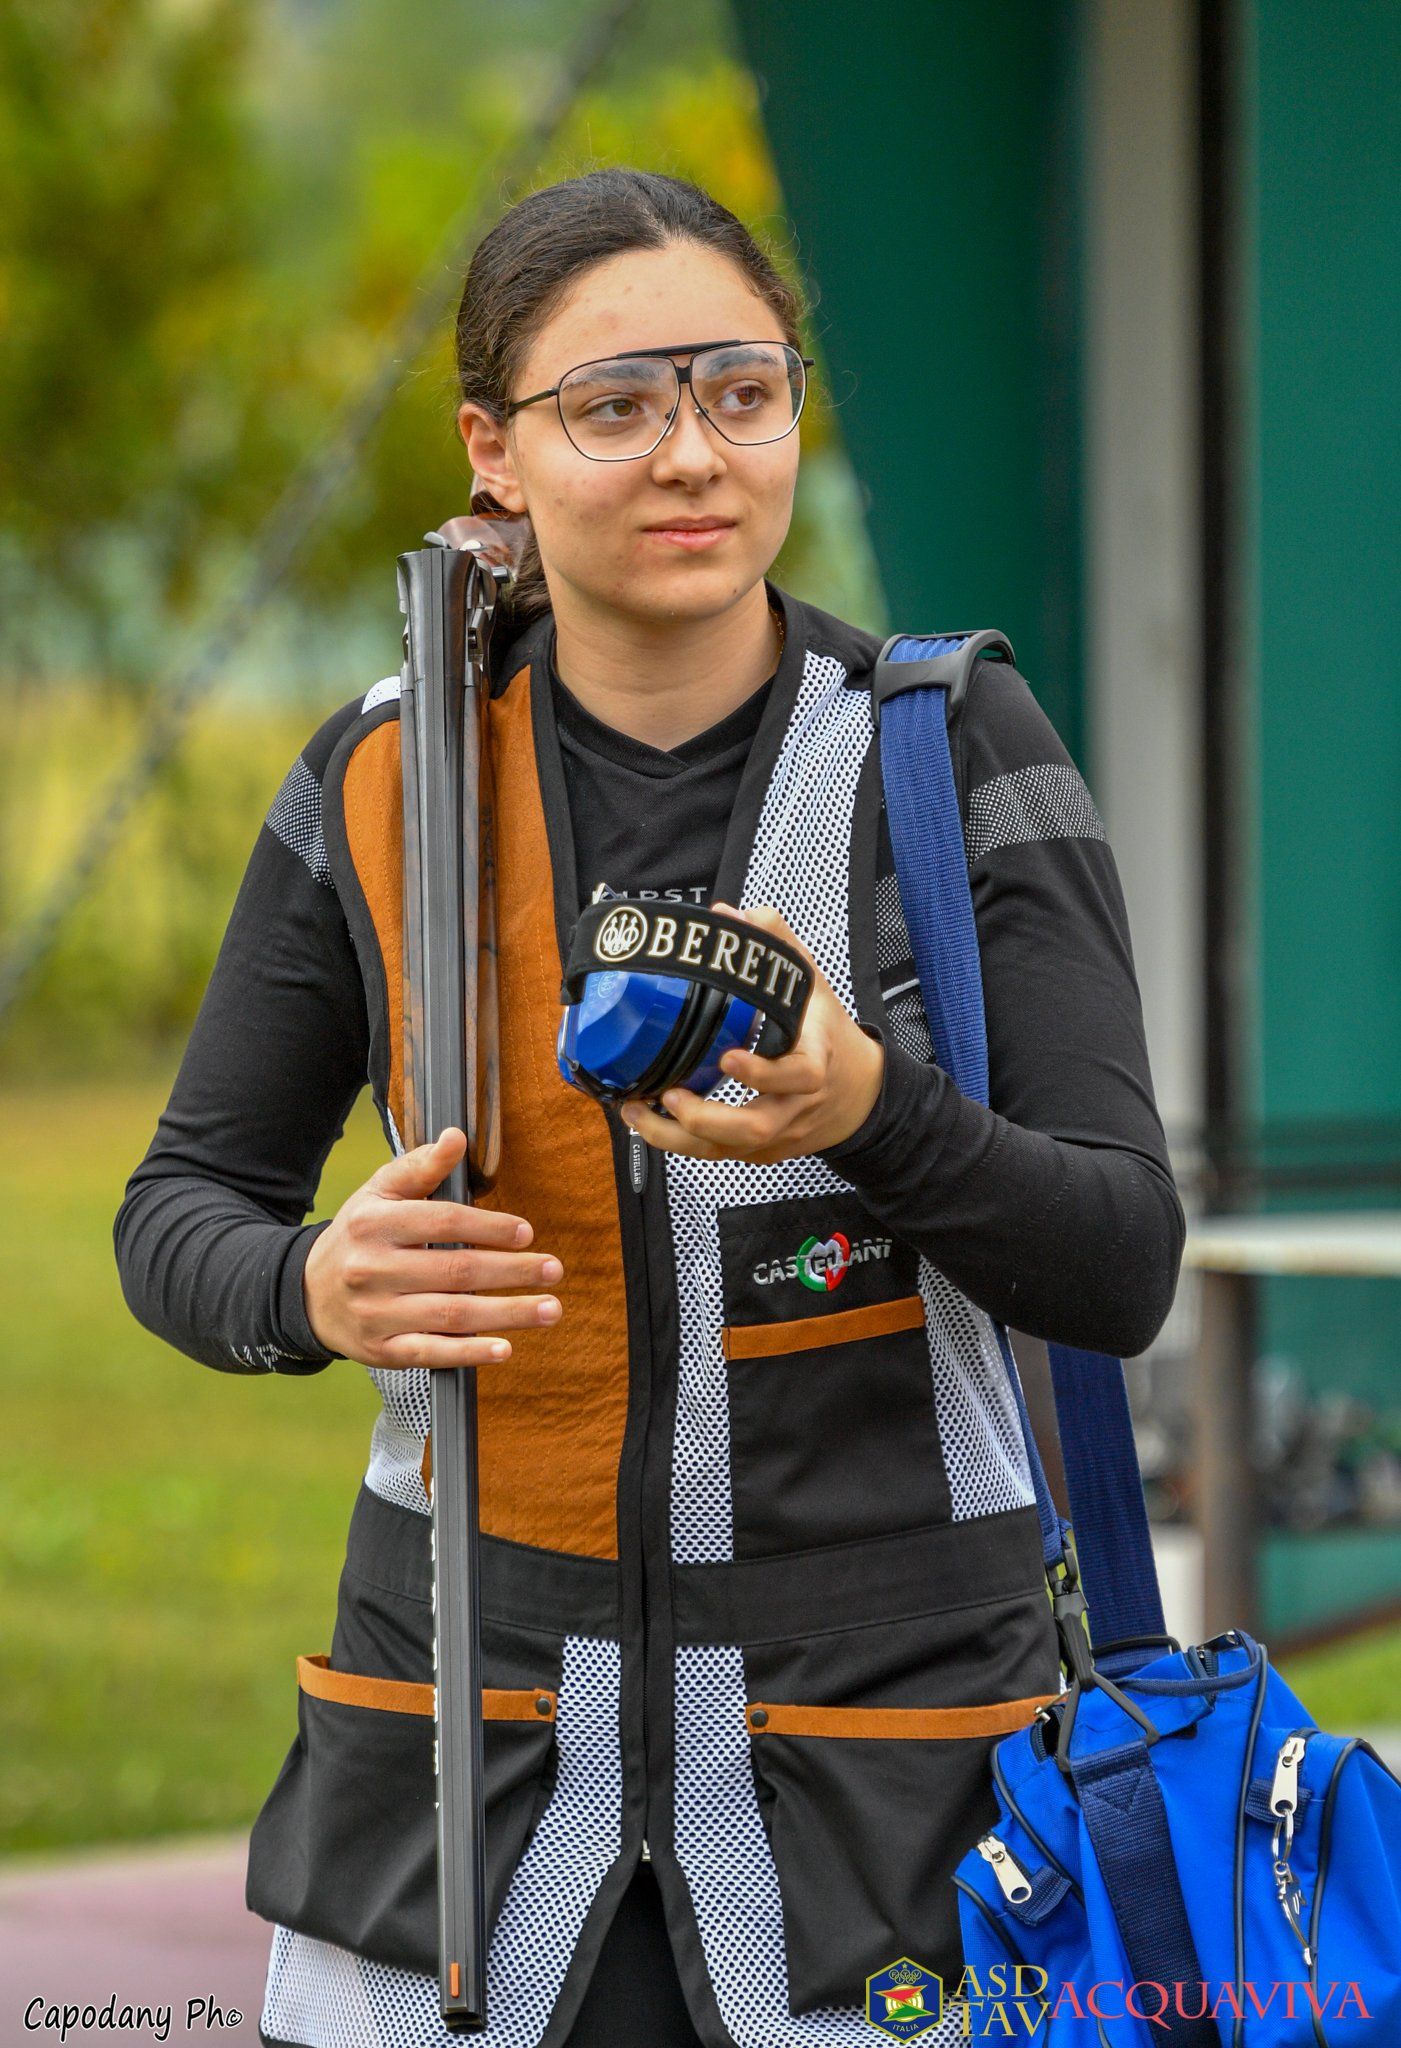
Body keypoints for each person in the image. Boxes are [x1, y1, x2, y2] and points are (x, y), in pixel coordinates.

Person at [113, 167, 1185, 2048]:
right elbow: (179, 1208)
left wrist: (869, 1109)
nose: (692, 454)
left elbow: (1117, 1261)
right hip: (460, 1756)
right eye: (613, 406)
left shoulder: (946, 750)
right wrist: (310, 1289)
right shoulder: (384, 774)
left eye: (741, 392)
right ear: (494, 451)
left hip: (893, 1791)